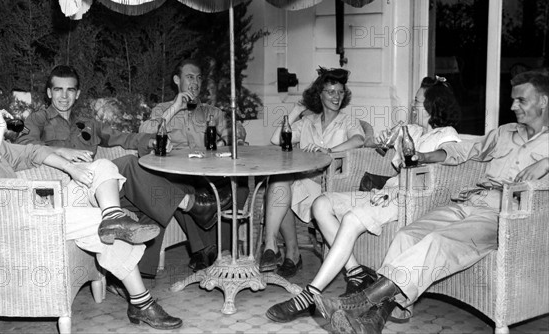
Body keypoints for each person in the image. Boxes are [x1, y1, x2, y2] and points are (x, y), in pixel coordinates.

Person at [313, 70, 549, 334]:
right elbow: (465, 151)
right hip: (471, 201)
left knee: (438, 242)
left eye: (521, 100)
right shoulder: (505, 132)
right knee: (407, 235)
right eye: (513, 99)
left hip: (503, 216)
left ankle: (362, 302)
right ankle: (374, 321)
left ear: (543, 101)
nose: (512, 106)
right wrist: (424, 157)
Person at [0, 78, 182, 330]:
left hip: (36, 211)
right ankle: (142, 303)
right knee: (99, 223)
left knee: (102, 167)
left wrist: (71, 166)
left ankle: (114, 216)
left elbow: (33, 153)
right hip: (16, 224)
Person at [265, 75, 461, 323]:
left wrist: (420, 156)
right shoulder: (413, 130)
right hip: (385, 192)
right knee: (321, 204)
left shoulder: (447, 134)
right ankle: (356, 273)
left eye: (418, 102)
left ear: (434, 106)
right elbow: (377, 146)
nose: (412, 106)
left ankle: (309, 295)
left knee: (350, 218)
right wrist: (384, 140)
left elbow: (449, 155)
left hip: (408, 199)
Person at [17, 65, 224, 278]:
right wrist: (61, 150)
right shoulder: (37, 119)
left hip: (99, 189)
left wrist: (149, 140)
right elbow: (24, 145)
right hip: (68, 192)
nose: (64, 96)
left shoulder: (87, 124)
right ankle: (193, 205)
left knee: (148, 197)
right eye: (58, 90)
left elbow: (122, 137)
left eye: (70, 90)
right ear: (49, 92)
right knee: (128, 163)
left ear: (77, 94)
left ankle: (135, 271)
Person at [139, 58, 247, 271]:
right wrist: (174, 109)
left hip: (210, 174)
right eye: (190, 77)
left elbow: (237, 132)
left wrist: (224, 140)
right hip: (178, 175)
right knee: (175, 188)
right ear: (177, 80)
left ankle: (215, 250)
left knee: (240, 185)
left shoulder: (212, 112)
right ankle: (207, 250)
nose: (195, 83)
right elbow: (145, 132)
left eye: (198, 78)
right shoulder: (162, 109)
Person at [261, 67, 365, 278]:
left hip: (332, 186)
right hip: (306, 182)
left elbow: (359, 140)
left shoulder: (348, 121)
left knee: (278, 189)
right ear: (320, 94)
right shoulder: (308, 122)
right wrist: (296, 111)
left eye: (340, 92)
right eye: (331, 91)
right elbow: (276, 139)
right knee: (279, 184)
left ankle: (290, 254)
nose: (336, 97)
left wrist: (328, 151)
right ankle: (272, 246)